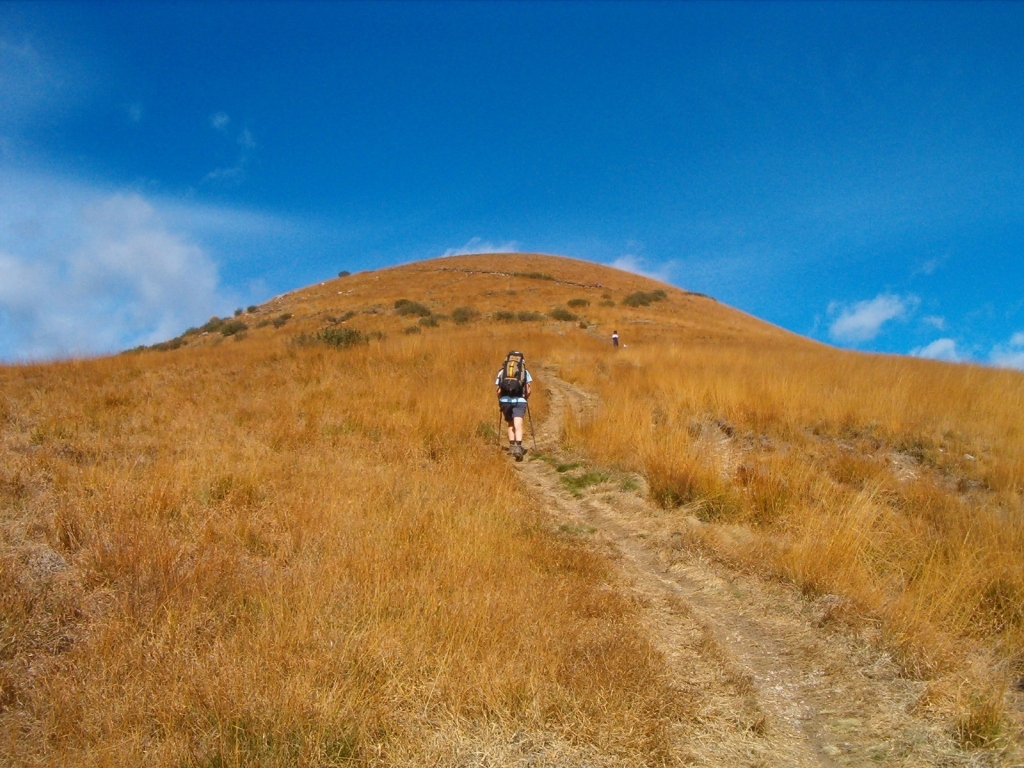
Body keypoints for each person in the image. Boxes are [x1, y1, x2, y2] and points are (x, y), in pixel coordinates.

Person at [495, 351, 532, 460]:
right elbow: (528, 390)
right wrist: (525, 398)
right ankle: (518, 447)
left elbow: (498, 391)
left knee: (510, 424)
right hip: (520, 400)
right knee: (518, 424)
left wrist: (500, 402)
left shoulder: (502, 372)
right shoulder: (524, 372)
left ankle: (511, 447)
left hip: (505, 401)